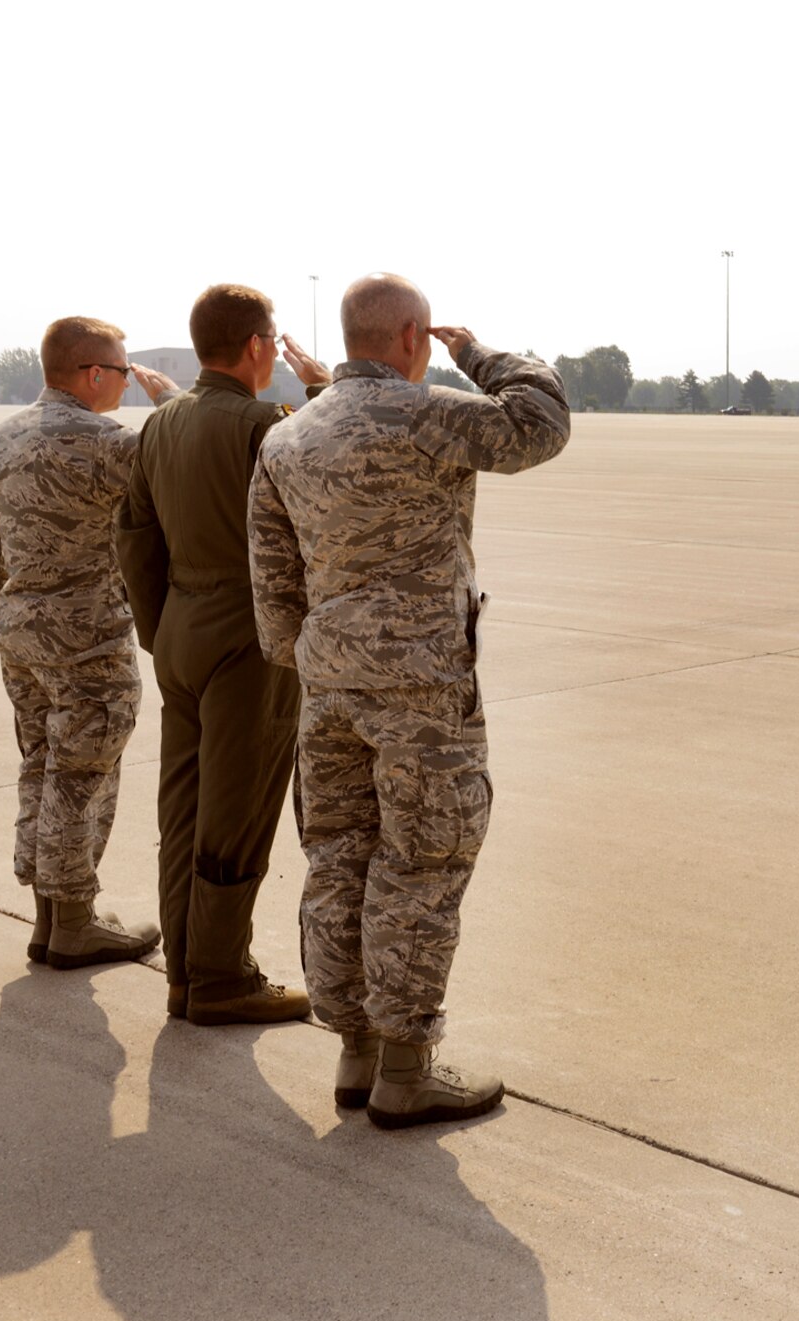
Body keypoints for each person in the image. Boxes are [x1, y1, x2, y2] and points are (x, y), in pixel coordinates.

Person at [248, 273, 569, 1127]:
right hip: (422, 687)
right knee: (420, 865)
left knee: (339, 858)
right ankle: (404, 1067)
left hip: (329, 688)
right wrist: (482, 354)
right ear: (411, 335)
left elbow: (272, 582)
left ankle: (354, 1050)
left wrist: (317, 656)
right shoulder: (425, 412)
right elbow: (540, 423)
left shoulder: (289, 436)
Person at [118, 284, 329, 1025]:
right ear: (255, 346)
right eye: (271, 339)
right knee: (236, 814)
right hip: (249, 638)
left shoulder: (162, 422)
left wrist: (161, 628)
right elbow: (328, 497)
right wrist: (324, 387)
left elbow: (134, 536)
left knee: (184, 808)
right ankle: (219, 975)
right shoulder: (262, 424)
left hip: (181, 630)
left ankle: (185, 969)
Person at [0, 317, 180, 968]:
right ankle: (75, 918)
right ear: (91, 374)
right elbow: (190, 473)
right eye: (120, 371)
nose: (126, 383)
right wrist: (173, 403)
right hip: (88, 638)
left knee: (41, 764)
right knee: (82, 775)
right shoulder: (112, 442)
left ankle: (50, 915)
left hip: (21, 632)